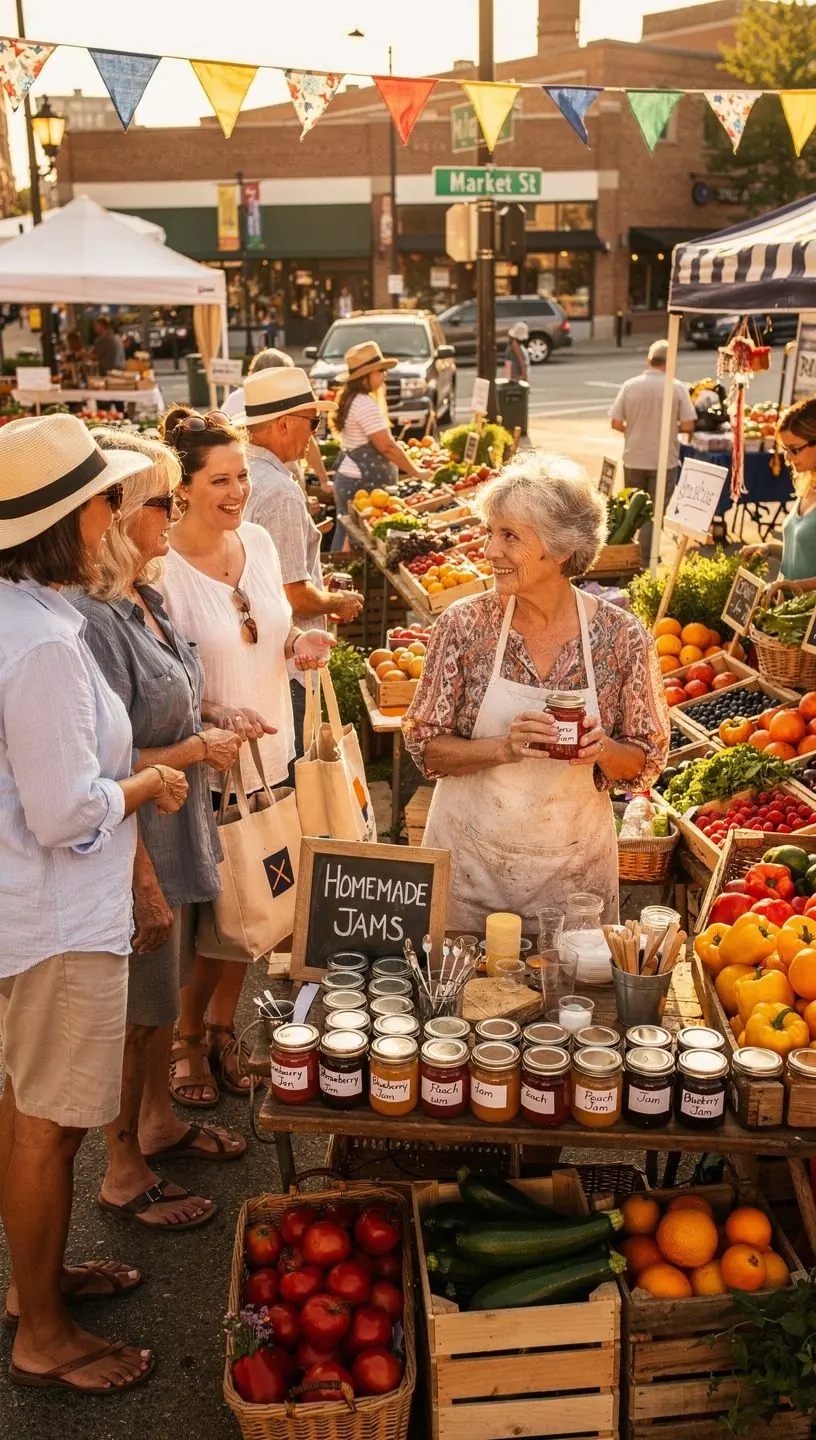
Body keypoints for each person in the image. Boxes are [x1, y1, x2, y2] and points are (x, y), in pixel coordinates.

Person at [0, 413, 189, 1393]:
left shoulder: (29, 614)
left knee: (28, 1113)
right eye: (107, 500)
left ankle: (36, 1286)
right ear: (67, 520)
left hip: (30, 912)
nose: (117, 515)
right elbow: (65, 810)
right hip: (57, 917)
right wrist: (145, 786)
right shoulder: (39, 642)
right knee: (49, 1125)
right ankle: (43, 1335)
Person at [69, 430, 247, 1233]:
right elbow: (105, 761)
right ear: (114, 516)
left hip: (176, 831)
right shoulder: (93, 618)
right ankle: (122, 1168)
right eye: (162, 502)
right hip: (135, 843)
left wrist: (215, 715)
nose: (173, 516)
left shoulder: (150, 594)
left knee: (157, 1002)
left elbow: (172, 698)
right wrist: (198, 747)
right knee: (136, 1015)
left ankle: (158, 1124)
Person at [403, 450, 670, 931]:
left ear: (561, 548)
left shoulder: (622, 638)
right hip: (468, 869)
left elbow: (646, 762)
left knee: (571, 978)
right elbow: (426, 747)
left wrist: (602, 749)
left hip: (573, 881)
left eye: (510, 536)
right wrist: (502, 748)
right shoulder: (463, 626)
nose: (490, 551)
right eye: (490, 532)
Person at [160, 406, 334, 1103]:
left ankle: (222, 1028)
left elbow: (270, 633)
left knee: (256, 903)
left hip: (271, 756)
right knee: (208, 921)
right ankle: (185, 1042)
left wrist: (297, 645)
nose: (236, 492)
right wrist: (213, 716)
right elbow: (162, 678)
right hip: (207, 764)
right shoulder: (161, 566)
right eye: (219, 480)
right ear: (182, 488)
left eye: (241, 477)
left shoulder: (257, 541)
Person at [236, 367, 362, 765]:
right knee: (295, 775)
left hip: (256, 657)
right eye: (313, 422)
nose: (314, 434)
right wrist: (338, 602)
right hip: (289, 662)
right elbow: (294, 595)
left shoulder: (243, 474)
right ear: (284, 423)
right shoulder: (281, 492)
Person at [331, 340, 430, 552]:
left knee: (346, 531)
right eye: (380, 371)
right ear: (366, 376)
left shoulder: (353, 399)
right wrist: (416, 472)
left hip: (349, 477)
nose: (384, 376)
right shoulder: (364, 403)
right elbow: (387, 447)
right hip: (360, 481)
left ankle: (334, 571)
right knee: (353, 538)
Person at [609, 339, 697, 563]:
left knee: (630, 512)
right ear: (669, 362)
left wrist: (635, 429)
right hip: (663, 460)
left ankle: (629, 554)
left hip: (634, 456)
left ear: (649, 360)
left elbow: (616, 423)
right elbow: (688, 425)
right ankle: (646, 557)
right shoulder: (676, 387)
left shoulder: (630, 385)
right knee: (654, 513)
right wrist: (667, 428)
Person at [222, 346, 330, 492]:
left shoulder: (235, 400)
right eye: (313, 423)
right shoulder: (281, 487)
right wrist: (323, 480)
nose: (313, 431)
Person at [742, 396, 816, 589]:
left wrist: (794, 586)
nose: (788, 458)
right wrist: (769, 549)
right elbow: (804, 554)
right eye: (785, 449)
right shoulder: (808, 484)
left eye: (794, 449)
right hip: (787, 605)